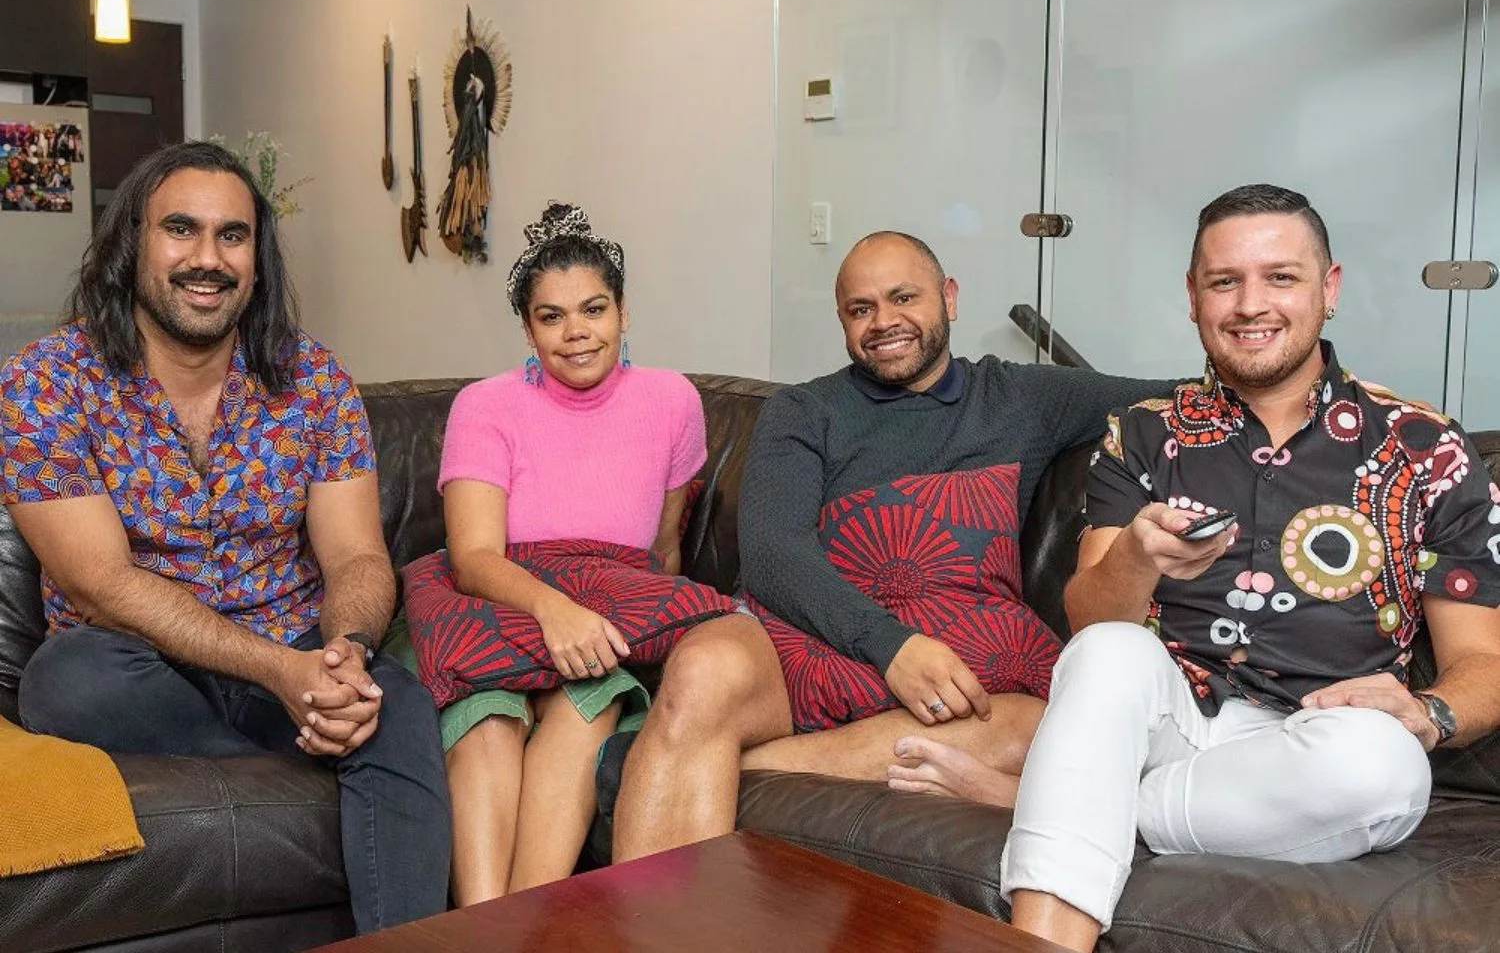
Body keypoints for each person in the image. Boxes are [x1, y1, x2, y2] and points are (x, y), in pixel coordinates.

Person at [1001, 184, 1500, 952]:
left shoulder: (1425, 447)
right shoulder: (1141, 435)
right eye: (1224, 281)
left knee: (1389, 767)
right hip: (1172, 719)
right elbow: (1091, 628)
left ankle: (1072, 800)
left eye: (1281, 277)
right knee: (1107, 651)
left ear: (1328, 290)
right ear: (1194, 297)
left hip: (1319, 745)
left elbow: (1484, 662)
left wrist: (1431, 714)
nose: (1249, 304)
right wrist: (1134, 555)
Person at [610, 230, 1175, 861]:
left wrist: (1288, 353)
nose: (884, 322)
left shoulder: (1024, 397)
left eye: (904, 297)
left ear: (950, 298)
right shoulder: (803, 411)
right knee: (704, 668)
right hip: (802, 633)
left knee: (1034, 729)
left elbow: (1179, 399)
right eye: (861, 309)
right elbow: (773, 557)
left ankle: (749, 763)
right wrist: (892, 648)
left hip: (957, 650)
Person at [2, 141, 451, 934]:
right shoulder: (45, 383)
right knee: (64, 680)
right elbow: (100, 584)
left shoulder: (314, 380)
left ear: (257, 257)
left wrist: (343, 651)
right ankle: (310, 767)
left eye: (232, 236)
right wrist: (285, 673)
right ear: (132, 241)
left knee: (398, 703)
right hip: (141, 665)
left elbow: (355, 556)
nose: (206, 259)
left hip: (294, 647)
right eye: (181, 229)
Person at [413, 202, 711, 904]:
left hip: (605, 612)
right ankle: (484, 932)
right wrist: (555, 611)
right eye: (551, 317)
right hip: (494, 602)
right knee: (487, 718)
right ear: (527, 327)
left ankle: (521, 931)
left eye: (594, 309)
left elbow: (663, 552)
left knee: (591, 703)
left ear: (624, 313)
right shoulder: (485, 406)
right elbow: (474, 557)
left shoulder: (673, 401)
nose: (577, 333)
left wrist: (621, 623)